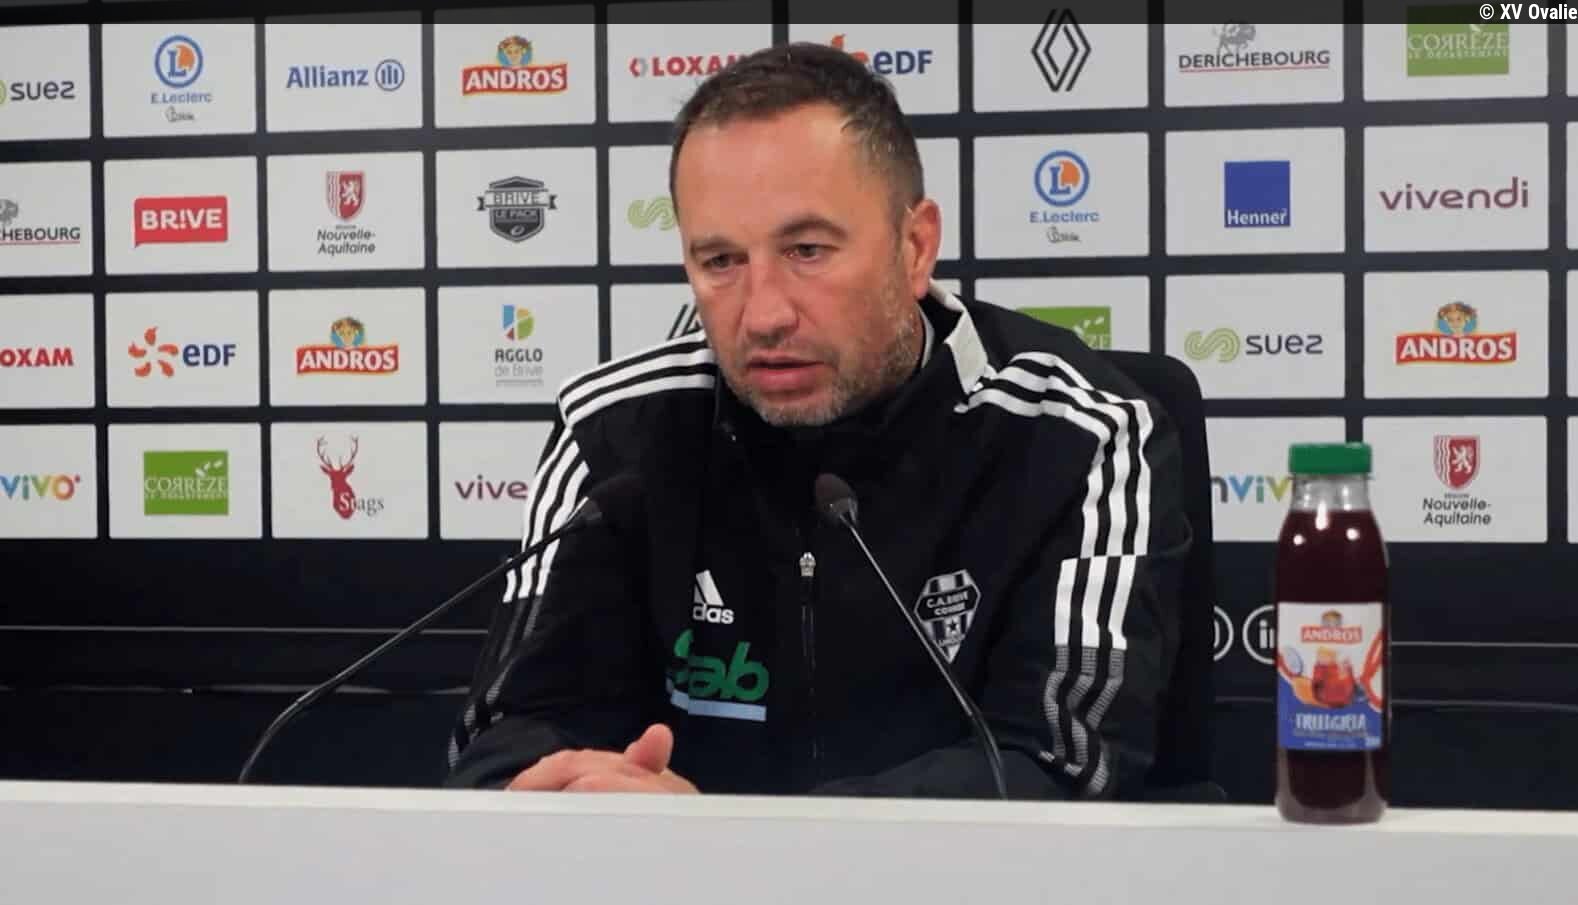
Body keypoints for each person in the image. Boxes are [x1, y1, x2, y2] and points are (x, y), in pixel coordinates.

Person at [444, 41, 1189, 799]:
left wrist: (726, 842)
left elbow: (1059, 764)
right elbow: (504, 742)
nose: (764, 314)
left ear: (915, 247)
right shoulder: (613, 434)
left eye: (807, 250)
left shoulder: (1075, 433)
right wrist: (558, 791)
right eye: (721, 261)